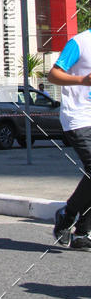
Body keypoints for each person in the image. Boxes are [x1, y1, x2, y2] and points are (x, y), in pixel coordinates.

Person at [48, 35, 91, 249]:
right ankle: (68, 216)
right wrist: (82, 80)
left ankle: (82, 232)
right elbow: (53, 74)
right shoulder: (80, 42)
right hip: (78, 117)